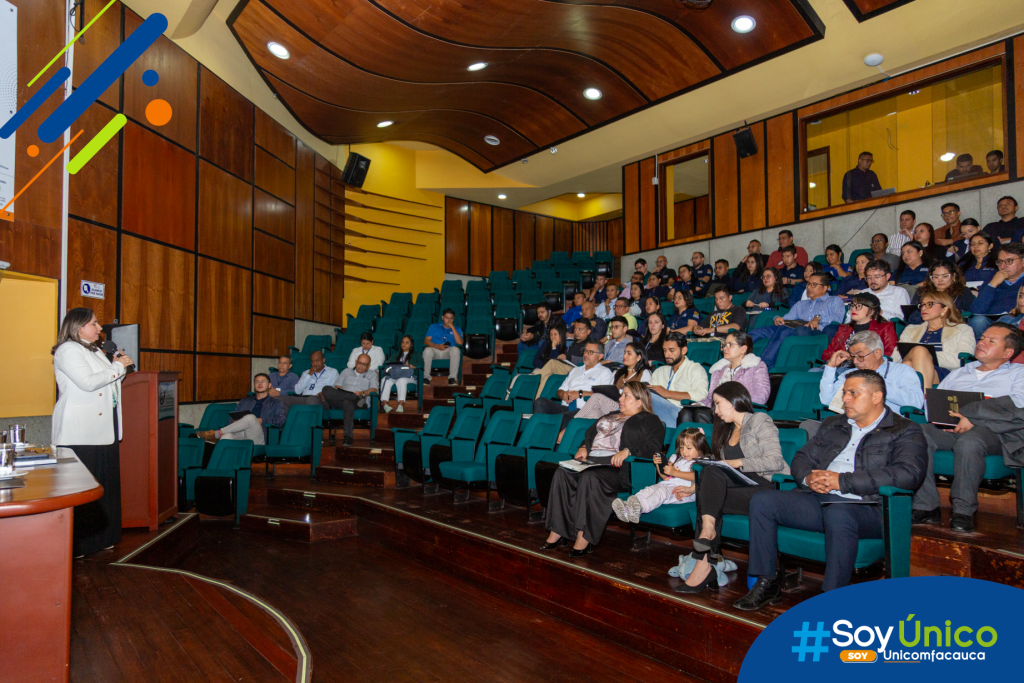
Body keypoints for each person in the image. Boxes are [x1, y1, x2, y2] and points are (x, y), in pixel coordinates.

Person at [734, 370, 927, 608]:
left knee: (839, 512)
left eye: (853, 393)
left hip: (870, 507)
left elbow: (908, 474)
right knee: (763, 501)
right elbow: (802, 458)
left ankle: (832, 600)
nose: (845, 398)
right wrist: (808, 478)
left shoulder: (905, 430)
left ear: (877, 397)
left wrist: (842, 481)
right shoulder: (833, 424)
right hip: (820, 498)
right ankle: (767, 583)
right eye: (844, 392)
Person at [677, 382, 789, 594]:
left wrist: (736, 462)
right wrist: (695, 487)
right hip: (739, 488)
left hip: (765, 488)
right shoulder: (726, 430)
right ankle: (706, 548)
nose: (716, 411)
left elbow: (775, 461)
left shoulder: (759, 420)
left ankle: (705, 561)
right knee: (709, 475)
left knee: (709, 496)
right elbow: (720, 476)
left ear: (733, 400)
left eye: (718, 404)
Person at [911, 323, 1024, 531]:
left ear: (1008, 352)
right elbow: (934, 403)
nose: (982, 342)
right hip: (950, 427)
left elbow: (1017, 405)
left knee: (970, 441)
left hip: (994, 433)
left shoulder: (1018, 374)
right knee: (916, 433)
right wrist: (942, 419)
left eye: (991, 341)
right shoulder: (961, 371)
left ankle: (963, 511)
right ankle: (926, 507)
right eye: (982, 338)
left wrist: (973, 416)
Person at [540, 382, 665, 557]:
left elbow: (653, 448)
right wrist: (584, 446)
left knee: (590, 478)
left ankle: (584, 537)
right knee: (563, 473)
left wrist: (629, 451)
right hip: (591, 462)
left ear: (639, 401)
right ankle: (557, 532)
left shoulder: (651, 420)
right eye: (621, 395)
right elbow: (591, 434)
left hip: (618, 469)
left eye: (626, 395)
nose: (620, 399)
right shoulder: (611, 415)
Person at [51, 307, 134, 557]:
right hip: (80, 431)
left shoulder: (97, 350)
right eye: (95, 324)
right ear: (79, 327)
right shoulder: (67, 350)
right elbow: (88, 382)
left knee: (102, 485)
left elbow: (108, 383)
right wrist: (117, 368)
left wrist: (119, 367)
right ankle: (79, 545)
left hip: (103, 429)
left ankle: (102, 538)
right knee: (82, 489)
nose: (100, 329)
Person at [612, 427, 708, 525]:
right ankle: (627, 508)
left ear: (700, 448)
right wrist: (658, 465)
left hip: (683, 491)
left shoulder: (701, 461)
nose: (684, 451)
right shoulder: (676, 458)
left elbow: (698, 476)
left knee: (661, 492)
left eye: (688, 448)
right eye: (682, 447)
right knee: (648, 490)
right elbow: (666, 478)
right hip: (667, 484)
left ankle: (640, 508)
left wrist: (674, 472)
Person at [750, 273, 845, 369]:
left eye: (814, 285)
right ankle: (739, 360)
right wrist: (778, 318)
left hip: (815, 332)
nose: (809, 287)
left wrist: (819, 318)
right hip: (792, 328)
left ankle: (765, 363)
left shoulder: (834, 300)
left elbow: (838, 319)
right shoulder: (800, 304)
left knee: (787, 330)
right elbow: (787, 318)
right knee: (758, 332)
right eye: (808, 284)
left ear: (825, 288)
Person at [820, 332, 924, 414]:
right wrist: (830, 367)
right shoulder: (850, 375)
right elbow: (827, 401)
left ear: (877, 353)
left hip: (889, 428)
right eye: (852, 357)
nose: (855, 362)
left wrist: (878, 384)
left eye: (860, 357)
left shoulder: (902, 371)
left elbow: (916, 403)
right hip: (853, 426)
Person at [679, 332, 770, 423]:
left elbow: (761, 396)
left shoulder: (756, 366)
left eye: (730, 345)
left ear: (743, 349)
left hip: (741, 411)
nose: (725, 348)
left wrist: (731, 402)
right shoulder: (719, 369)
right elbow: (711, 397)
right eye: (725, 344)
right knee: (685, 412)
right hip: (718, 410)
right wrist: (700, 403)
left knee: (701, 414)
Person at [892, 290, 976, 388]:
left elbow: (961, 360)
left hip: (945, 373)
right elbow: (896, 357)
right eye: (922, 305)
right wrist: (919, 357)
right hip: (909, 368)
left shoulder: (963, 330)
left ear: (944, 309)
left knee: (919, 351)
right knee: (908, 363)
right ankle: (925, 397)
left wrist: (926, 356)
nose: (923, 308)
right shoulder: (910, 329)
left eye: (930, 304)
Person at [565, 343, 653, 424]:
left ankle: (571, 423)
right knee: (594, 413)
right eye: (624, 352)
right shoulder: (618, 373)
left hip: (629, 408)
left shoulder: (644, 373)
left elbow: (642, 395)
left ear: (639, 357)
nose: (624, 355)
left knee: (596, 397)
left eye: (629, 353)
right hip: (614, 405)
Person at [532, 340, 614, 417]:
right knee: (540, 402)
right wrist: (563, 394)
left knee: (563, 417)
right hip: (564, 408)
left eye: (590, 352)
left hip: (583, 411)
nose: (585, 354)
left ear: (600, 356)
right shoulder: (575, 370)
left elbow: (604, 397)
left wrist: (580, 394)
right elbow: (560, 390)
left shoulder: (605, 372)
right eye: (585, 351)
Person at [199, 373, 287, 445]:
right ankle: (225, 464)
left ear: (269, 385)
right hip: (241, 433)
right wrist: (234, 422)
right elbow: (230, 420)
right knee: (226, 437)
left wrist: (261, 420)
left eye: (263, 382)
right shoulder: (245, 401)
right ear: (254, 385)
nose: (260, 384)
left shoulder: (276, 403)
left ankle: (217, 433)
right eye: (257, 382)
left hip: (260, 436)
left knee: (250, 418)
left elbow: (281, 420)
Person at [648, 333, 709, 428]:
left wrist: (667, 393)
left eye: (671, 350)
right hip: (657, 413)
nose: (667, 354)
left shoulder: (695, 369)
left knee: (644, 394)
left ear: (684, 350)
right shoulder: (660, 371)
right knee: (639, 392)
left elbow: (701, 394)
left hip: (679, 413)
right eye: (664, 350)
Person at [968, 242, 1024, 337]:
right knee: (977, 321)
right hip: (990, 322)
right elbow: (976, 311)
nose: (1003, 266)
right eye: (1000, 262)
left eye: (1009, 261)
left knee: (1005, 321)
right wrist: (993, 284)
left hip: (1015, 319)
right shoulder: (993, 281)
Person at [322, 353, 378, 446]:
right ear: (355, 362)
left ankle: (348, 436)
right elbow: (336, 386)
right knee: (326, 389)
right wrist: (338, 388)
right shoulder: (346, 371)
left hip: (360, 400)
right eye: (359, 363)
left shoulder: (372, 374)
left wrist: (362, 393)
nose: (361, 366)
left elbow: (374, 389)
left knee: (347, 401)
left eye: (364, 364)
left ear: (369, 366)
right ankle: (348, 437)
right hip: (343, 398)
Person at [821, 293, 897, 362]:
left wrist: (858, 357)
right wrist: (839, 355)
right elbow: (826, 354)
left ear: (872, 310)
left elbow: (889, 353)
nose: (853, 309)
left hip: (866, 368)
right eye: (853, 305)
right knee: (814, 371)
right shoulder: (844, 329)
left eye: (859, 306)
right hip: (841, 365)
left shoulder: (885, 328)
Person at [905, 260, 975, 325]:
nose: (940, 280)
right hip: (924, 326)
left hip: (952, 326)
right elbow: (912, 313)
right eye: (936, 277)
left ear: (953, 276)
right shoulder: (922, 291)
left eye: (945, 276)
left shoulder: (963, 291)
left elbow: (967, 313)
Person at [423, 308, 463, 385]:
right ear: (442, 317)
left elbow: (460, 343)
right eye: (447, 317)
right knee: (427, 350)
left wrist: (453, 328)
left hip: (448, 352)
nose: (449, 320)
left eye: (451, 318)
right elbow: (426, 341)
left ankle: (452, 378)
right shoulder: (434, 326)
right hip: (435, 350)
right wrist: (436, 346)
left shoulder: (457, 329)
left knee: (456, 349)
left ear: (454, 319)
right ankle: (426, 378)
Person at [381, 335, 418, 413]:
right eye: (402, 342)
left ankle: (400, 405)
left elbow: (420, 366)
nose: (404, 344)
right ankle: (385, 404)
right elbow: (389, 365)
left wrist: (411, 366)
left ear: (411, 345)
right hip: (396, 375)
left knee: (401, 380)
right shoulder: (395, 355)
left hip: (410, 377)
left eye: (407, 342)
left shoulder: (416, 355)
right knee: (385, 379)